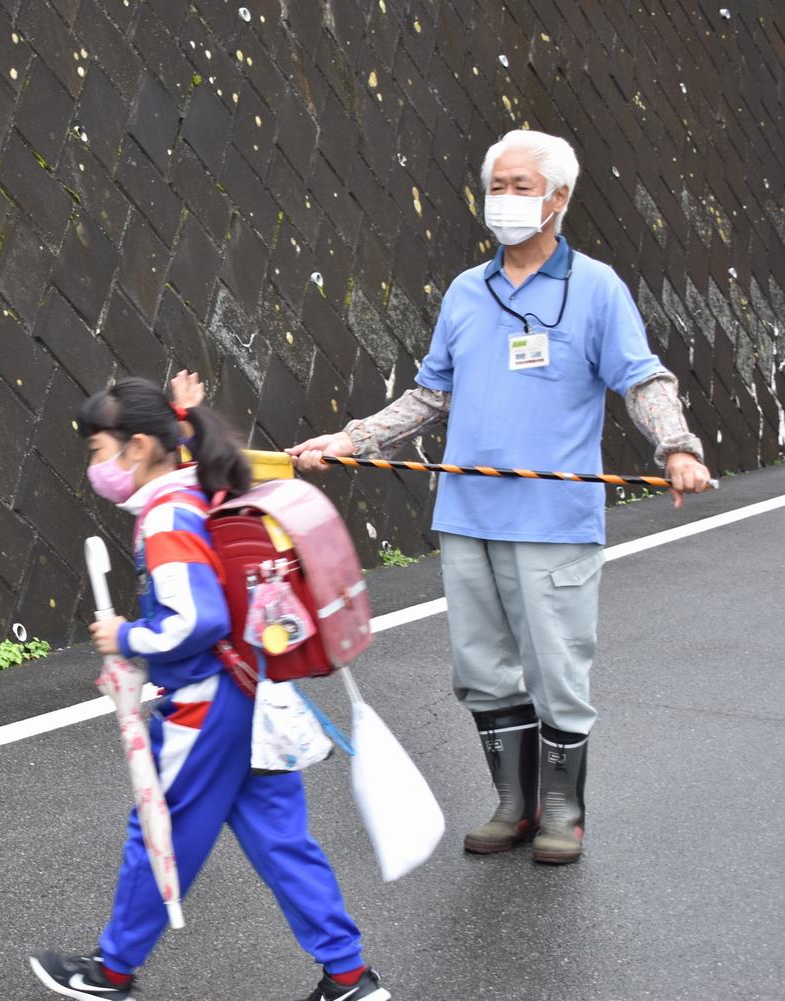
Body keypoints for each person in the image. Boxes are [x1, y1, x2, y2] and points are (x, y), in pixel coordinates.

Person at [291, 130, 711, 864]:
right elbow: (429, 396)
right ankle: (513, 803)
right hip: (467, 514)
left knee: (557, 669)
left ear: (559, 199)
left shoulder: (597, 288)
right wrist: (350, 440)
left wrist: (676, 445)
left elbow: (643, 380)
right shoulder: (465, 291)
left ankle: (561, 809)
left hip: (553, 522)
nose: (504, 198)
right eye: (497, 184)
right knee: (481, 669)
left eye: (521, 185)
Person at [30, 377, 389, 1001]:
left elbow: (196, 619)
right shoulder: (200, 487)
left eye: (97, 449)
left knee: (159, 829)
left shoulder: (165, 516)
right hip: (254, 691)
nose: (95, 465)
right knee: (281, 841)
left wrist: (128, 637)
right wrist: (188, 410)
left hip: (205, 705)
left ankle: (110, 971)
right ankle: (350, 977)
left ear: (138, 447)